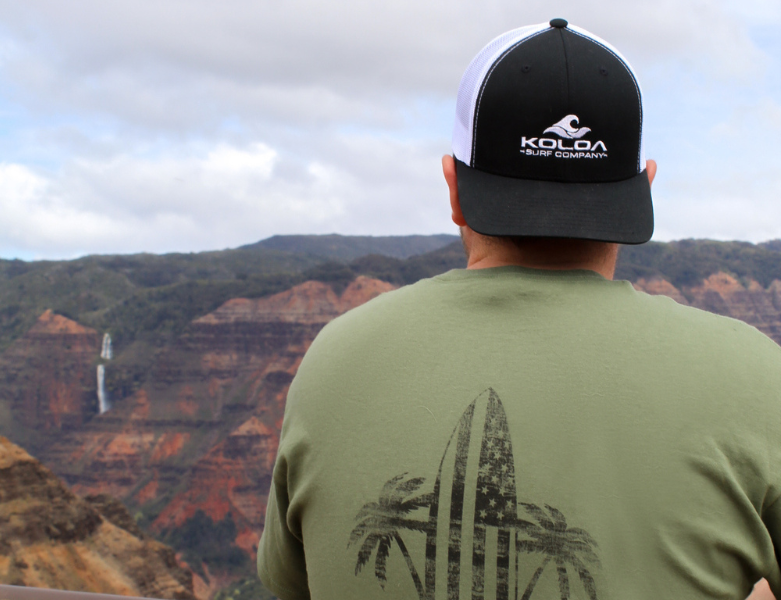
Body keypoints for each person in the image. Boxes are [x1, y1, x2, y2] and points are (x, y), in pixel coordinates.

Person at [257, 19, 781, 600]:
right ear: (644, 187)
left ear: (453, 188)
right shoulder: (756, 377)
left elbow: (291, 585)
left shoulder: (335, 359)